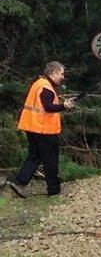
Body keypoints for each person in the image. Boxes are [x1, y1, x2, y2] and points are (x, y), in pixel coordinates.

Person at [7, 61, 75, 198]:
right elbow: (48, 107)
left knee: (35, 156)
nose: (63, 77)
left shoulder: (39, 83)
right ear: (54, 72)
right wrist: (64, 106)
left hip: (32, 127)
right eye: (61, 73)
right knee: (50, 159)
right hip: (44, 130)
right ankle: (53, 189)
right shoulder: (46, 88)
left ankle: (19, 183)